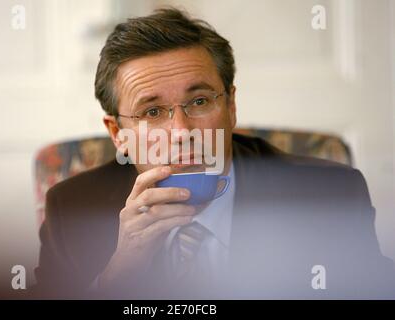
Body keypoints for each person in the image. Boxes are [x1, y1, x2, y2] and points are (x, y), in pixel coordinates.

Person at [33, 8, 395, 299]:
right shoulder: (74, 209)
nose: (182, 132)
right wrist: (118, 274)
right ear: (118, 134)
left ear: (232, 106)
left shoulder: (327, 195)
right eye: (152, 112)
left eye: (200, 101)